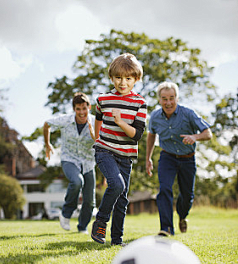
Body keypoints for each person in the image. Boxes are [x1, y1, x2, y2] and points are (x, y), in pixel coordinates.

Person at [91, 53, 147, 246]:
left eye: (128, 78)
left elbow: (137, 135)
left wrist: (120, 122)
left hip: (126, 156)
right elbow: (98, 118)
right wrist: (97, 139)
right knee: (117, 185)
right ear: (111, 78)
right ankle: (100, 221)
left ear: (136, 79)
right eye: (118, 78)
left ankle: (117, 240)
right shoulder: (102, 99)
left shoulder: (140, 103)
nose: (123, 83)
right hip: (105, 150)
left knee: (122, 200)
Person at [146, 81, 212, 236]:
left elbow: (208, 133)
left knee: (187, 195)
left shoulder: (188, 113)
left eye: (171, 98)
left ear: (176, 98)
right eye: (164, 98)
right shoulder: (155, 116)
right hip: (167, 157)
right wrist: (147, 158)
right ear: (159, 99)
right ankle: (167, 228)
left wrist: (195, 137)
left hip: (188, 159)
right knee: (165, 189)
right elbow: (151, 135)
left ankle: (182, 216)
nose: (168, 102)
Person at [43, 92, 96, 233]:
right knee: (77, 181)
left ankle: (82, 227)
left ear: (89, 107)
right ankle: (66, 214)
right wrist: (47, 144)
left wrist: (92, 131)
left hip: (88, 163)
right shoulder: (65, 120)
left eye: (84, 108)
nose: (81, 112)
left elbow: (100, 141)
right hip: (69, 160)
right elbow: (47, 124)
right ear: (74, 109)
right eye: (78, 109)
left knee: (90, 200)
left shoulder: (96, 122)